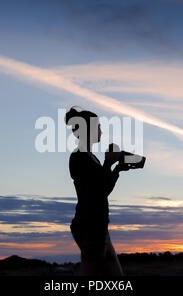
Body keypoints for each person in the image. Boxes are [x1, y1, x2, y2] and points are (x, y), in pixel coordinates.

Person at [65, 106, 128, 276]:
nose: (101, 130)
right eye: (98, 126)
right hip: (89, 226)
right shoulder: (79, 157)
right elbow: (98, 191)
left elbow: (103, 187)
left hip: (98, 225)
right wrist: (109, 164)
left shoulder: (90, 157)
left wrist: (116, 169)